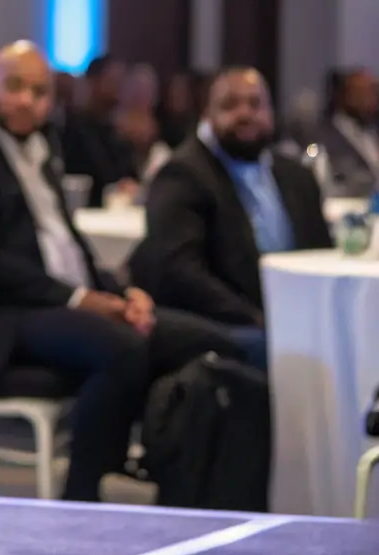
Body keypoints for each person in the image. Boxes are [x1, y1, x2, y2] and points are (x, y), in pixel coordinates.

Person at [0, 41, 240, 502]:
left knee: (202, 342)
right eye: (15, 87)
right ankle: (87, 492)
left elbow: (67, 250)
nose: (28, 101)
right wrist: (80, 300)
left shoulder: (41, 153)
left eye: (40, 91)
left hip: (42, 308)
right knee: (121, 346)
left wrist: (123, 292)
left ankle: (174, 481)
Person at [131, 67, 332, 371]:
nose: (245, 114)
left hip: (295, 312)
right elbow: (179, 273)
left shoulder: (296, 177)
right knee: (283, 351)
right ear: (208, 114)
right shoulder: (183, 175)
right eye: (231, 105)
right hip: (223, 320)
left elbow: (321, 253)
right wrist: (255, 317)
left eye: (255, 104)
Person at [62, 54, 137, 206]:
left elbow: (130, 174)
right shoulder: (73, 128)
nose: (119, 88)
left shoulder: (116, 129)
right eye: (113, 81)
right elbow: (99, 175)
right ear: (93, 81)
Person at [318, 67, 379, 197]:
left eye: (372, 91)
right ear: (345, 95)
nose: (371, 98)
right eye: (362, 92)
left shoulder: (372, 131)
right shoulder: (326, 133)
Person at [114, 65, 172, 192]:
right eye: (136, 90)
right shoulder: (114, 123)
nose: (141, 96)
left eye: (145, 91)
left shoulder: (159, 124)